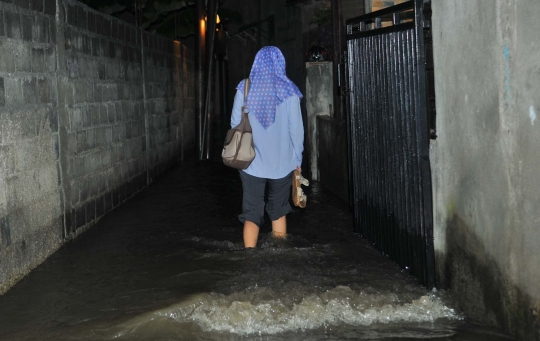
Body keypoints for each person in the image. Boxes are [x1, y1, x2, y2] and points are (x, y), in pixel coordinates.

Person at [230, 46, 304, 249]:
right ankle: (278, 256)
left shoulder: (244, 88)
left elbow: (235, 122)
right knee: (279, 210)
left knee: (252, 213)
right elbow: (296, 130)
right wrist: (298, 159)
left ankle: (249, 258)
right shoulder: (290, 91)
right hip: (282, 163)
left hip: (250, 162)